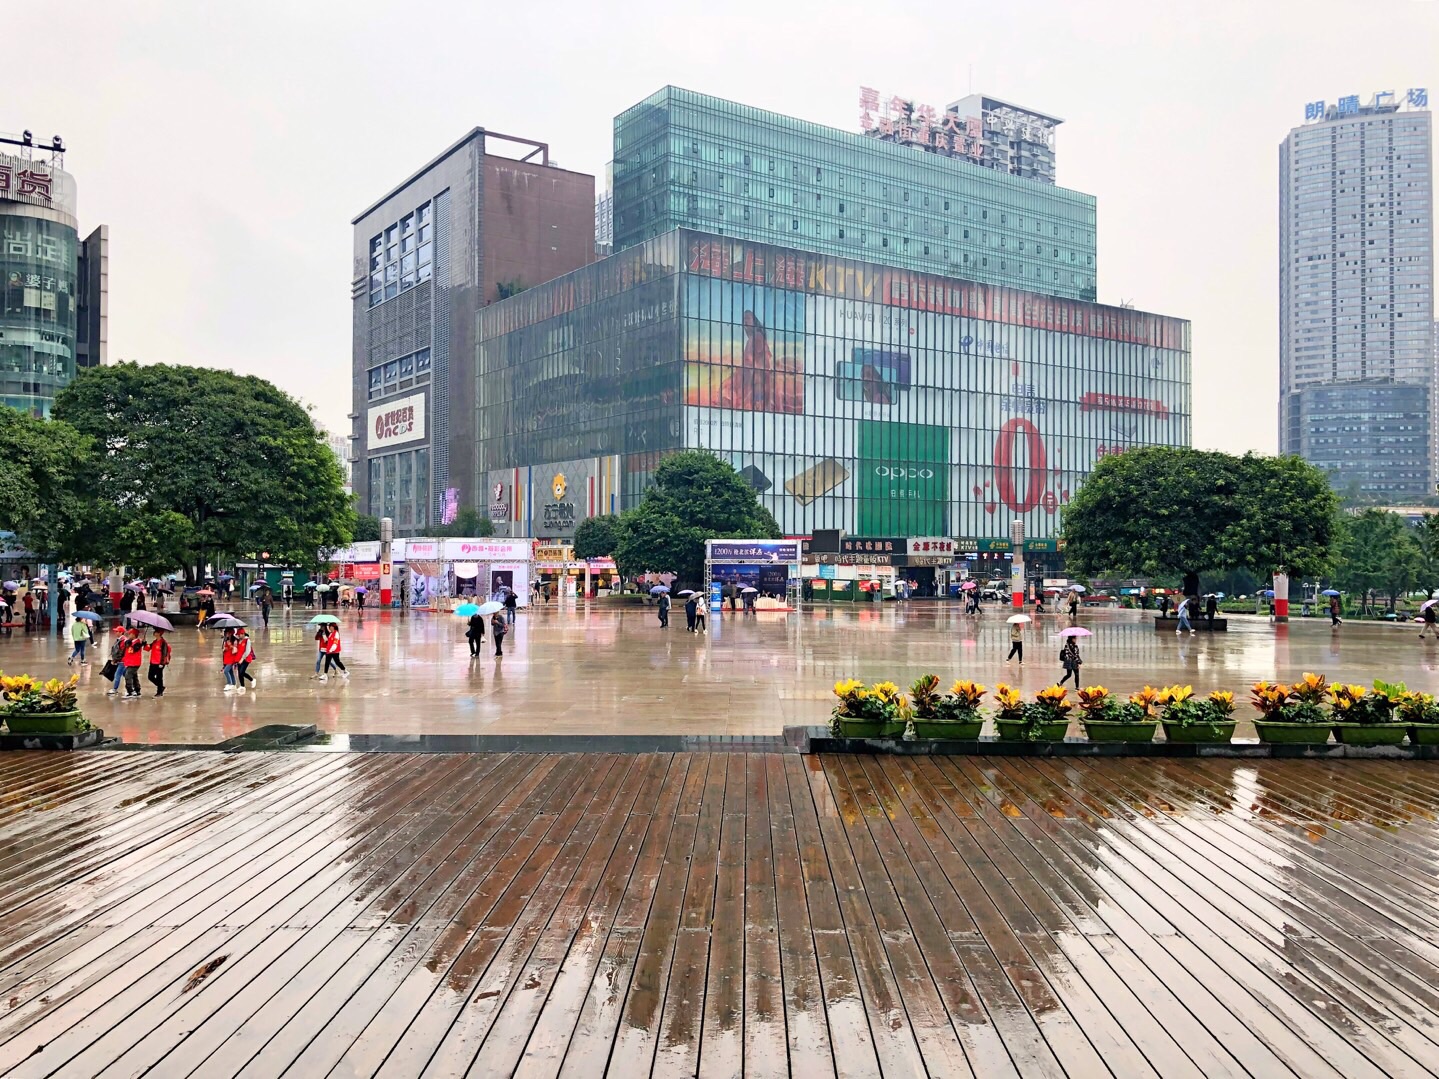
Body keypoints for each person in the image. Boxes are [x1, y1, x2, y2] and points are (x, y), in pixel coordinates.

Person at [122, 627, 146, 700]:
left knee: (128, 676)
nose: (129, 635)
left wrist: (141, 643)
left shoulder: (138, 643)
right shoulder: (130, 641)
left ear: (134, 635)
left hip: (134, 663)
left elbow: (132, 650)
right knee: (134, 676)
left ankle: (130, 691)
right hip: (130, 662)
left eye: (130, 634)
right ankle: (137, 690)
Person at [147, 630, 171, 697]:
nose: (154, 633)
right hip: (152, 662)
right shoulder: (154, 642)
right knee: (150, 676)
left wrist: (162, 663)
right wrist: (144, 643)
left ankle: (159, 692)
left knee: (159, 677)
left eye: (156, 632)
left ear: (159, 633)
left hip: (159, 663)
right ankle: (161, 687)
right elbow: (148, 648)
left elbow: (164, 653)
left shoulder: (163, 643)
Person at [104, 630, 128, 696]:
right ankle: (132, 687)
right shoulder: (119, 640)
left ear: (121, 632)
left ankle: (115, 689)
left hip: (121, 661)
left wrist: (116, 660)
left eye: (117, 631)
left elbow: (121, 652)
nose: (116, 632)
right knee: (125, 674)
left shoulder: (123, 640)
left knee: (117, 675)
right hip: (120, 661)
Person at [235, 628, 256, 692]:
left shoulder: (247, 641)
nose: (238, 636)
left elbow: (248, 651)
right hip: (238, 658)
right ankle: (242, 686)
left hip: (246, 659)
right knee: (239, 673)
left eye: (239, 635)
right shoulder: (238, 640)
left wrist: (242, 658)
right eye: (238, 635)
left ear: (243, 634)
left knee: (242, 672)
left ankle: (252, 680)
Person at [222, 628, 240, 692]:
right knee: (230, 671)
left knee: (226, 671)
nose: (226, 634)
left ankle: (229, 683)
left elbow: (236, 649)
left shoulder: (235, 640)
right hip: (226, 657)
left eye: (227, 633)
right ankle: (234, 684)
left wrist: (230, 645)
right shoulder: (225, 639)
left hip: (232, 658)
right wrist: (225, 648)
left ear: (230, 633)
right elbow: (224, 648)